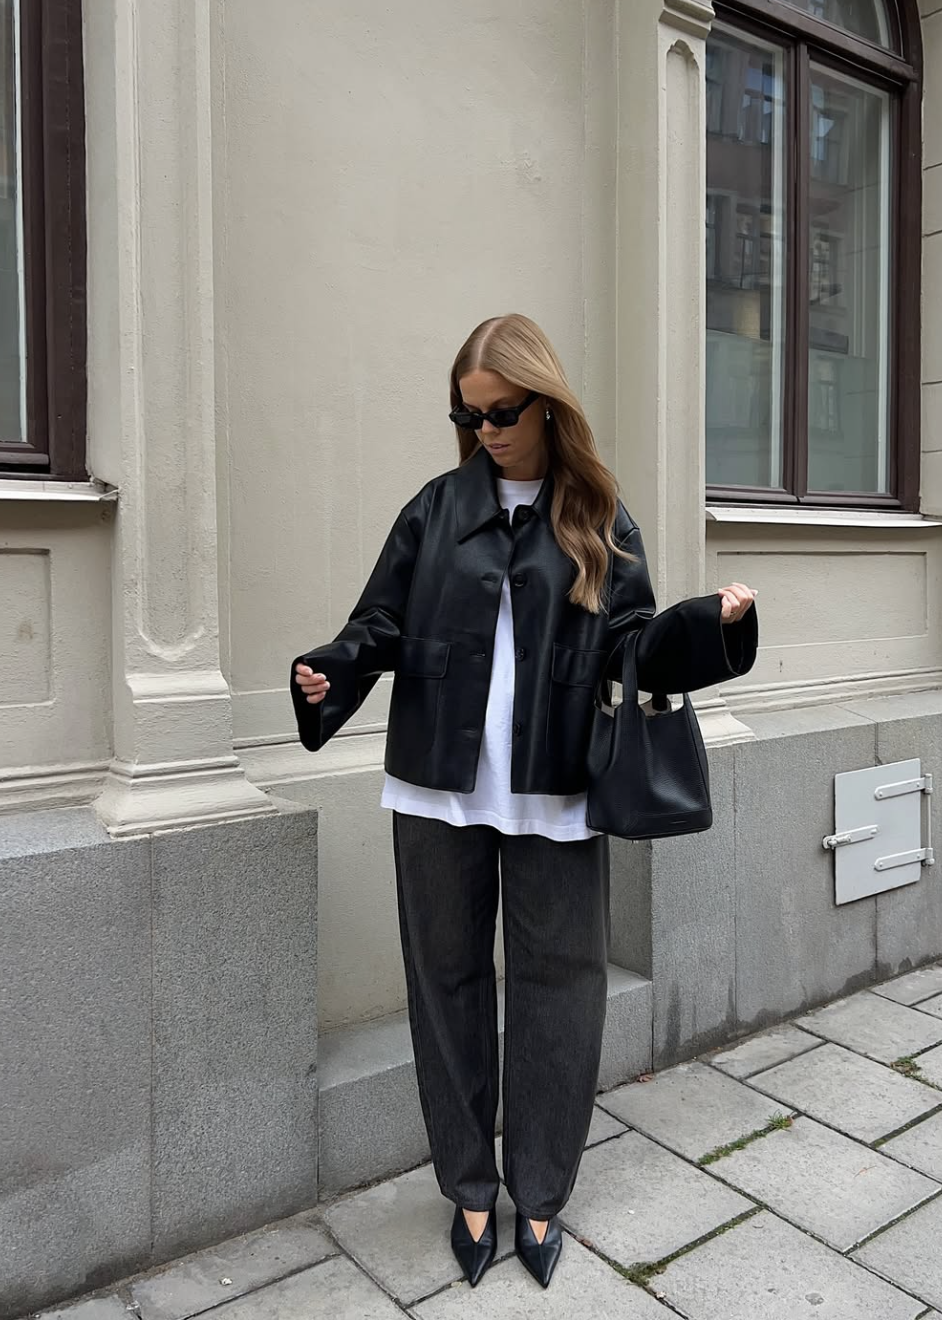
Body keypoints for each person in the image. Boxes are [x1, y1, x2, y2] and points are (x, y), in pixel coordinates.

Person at [290, 313, 757, 1290]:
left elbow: (635, 647)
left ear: (547, 404)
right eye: (467, 413)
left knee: (560, 996)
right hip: (435, 789)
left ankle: (540, 1193)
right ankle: (467, 1186)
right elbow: (375, 623)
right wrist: (332, 672)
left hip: (555, 790)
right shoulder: (436, 509)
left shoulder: (596, 512)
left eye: (501, 411)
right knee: (446, 985)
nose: (485, 429)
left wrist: (709, 629)